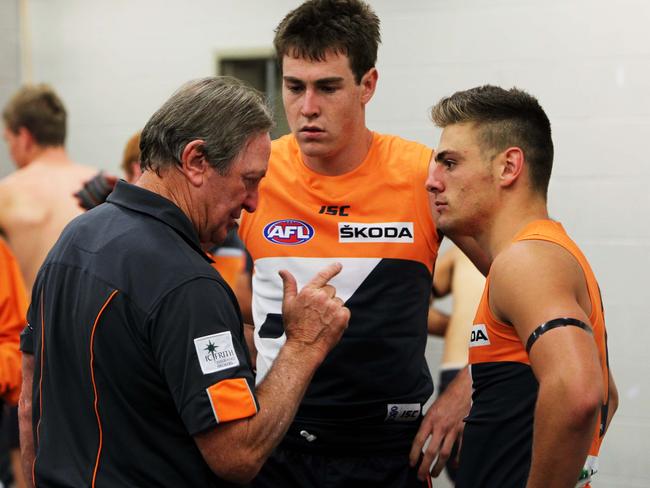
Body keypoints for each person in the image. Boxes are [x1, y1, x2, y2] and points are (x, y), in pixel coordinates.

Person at [18, 76, 350, 487]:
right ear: (195, 161)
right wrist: (304, 345)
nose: (253, 202)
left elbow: (29, 400)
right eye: (249, 179)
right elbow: (238, 454)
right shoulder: (187, 284)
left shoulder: (75, 238)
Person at [238, 1, 458, 485]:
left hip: (386, 453)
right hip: (277, 448)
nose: (307, 108)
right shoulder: (255, 173)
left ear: (367, 85)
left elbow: (502, 276)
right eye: (294, 87)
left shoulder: (422, 175)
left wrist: (463, 388)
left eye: (328, 87)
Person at [425, 84, 619, 487]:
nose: (431, 181)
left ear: (509, 167)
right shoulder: (543, 255)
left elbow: (580, 392)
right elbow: (607, 394)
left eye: (450, 163)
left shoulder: (526, 261)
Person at [0, 84, 99, 294]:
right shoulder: (103, 187)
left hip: (33, 323)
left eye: (8, 140)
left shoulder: (7, 194)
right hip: (93, 323)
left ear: (25, 137)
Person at [429, 245, 485, 483]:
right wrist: (455, 328)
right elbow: (409, 302)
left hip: (481, 367)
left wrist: (459, 329)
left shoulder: (462, 250)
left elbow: (407, 303)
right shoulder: (462, 250)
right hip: (469, 369)